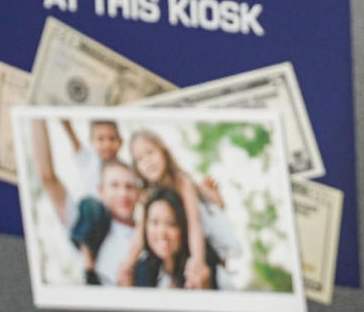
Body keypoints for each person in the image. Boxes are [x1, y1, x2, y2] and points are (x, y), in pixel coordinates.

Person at [117, 130, 240, 288]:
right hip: (184, 239)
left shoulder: (181, 181)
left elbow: (194, 223)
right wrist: (127, 264)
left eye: (150, 153)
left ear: (163, 151)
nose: (147, 161)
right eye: (140, 159)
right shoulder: (147, 194)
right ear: (137, 168)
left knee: (206, 270)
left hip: (204, 231)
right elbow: (140, 235)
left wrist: (197, 261)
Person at [31, 118, 139, 285]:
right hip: (91, 223)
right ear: (102, 190)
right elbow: (48, 177)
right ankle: (88, 265)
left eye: (129, 187)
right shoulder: (90, 221)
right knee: (91, 205)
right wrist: (38, 116)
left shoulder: (148, 232)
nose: (122, 193)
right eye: (115, 186)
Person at [133, 188, 223, 289]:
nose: (162, 232)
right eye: (154, 222)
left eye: (171, 223)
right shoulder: (143, 269)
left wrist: (204, 286)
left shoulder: (203, 263)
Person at [61, 119, 123, 198]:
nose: (107, 144)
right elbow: (70, 131)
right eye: (101, 139)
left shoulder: (124, 169)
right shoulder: (87, 159)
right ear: (91, 141)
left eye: (112, 138)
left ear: (121, 142)